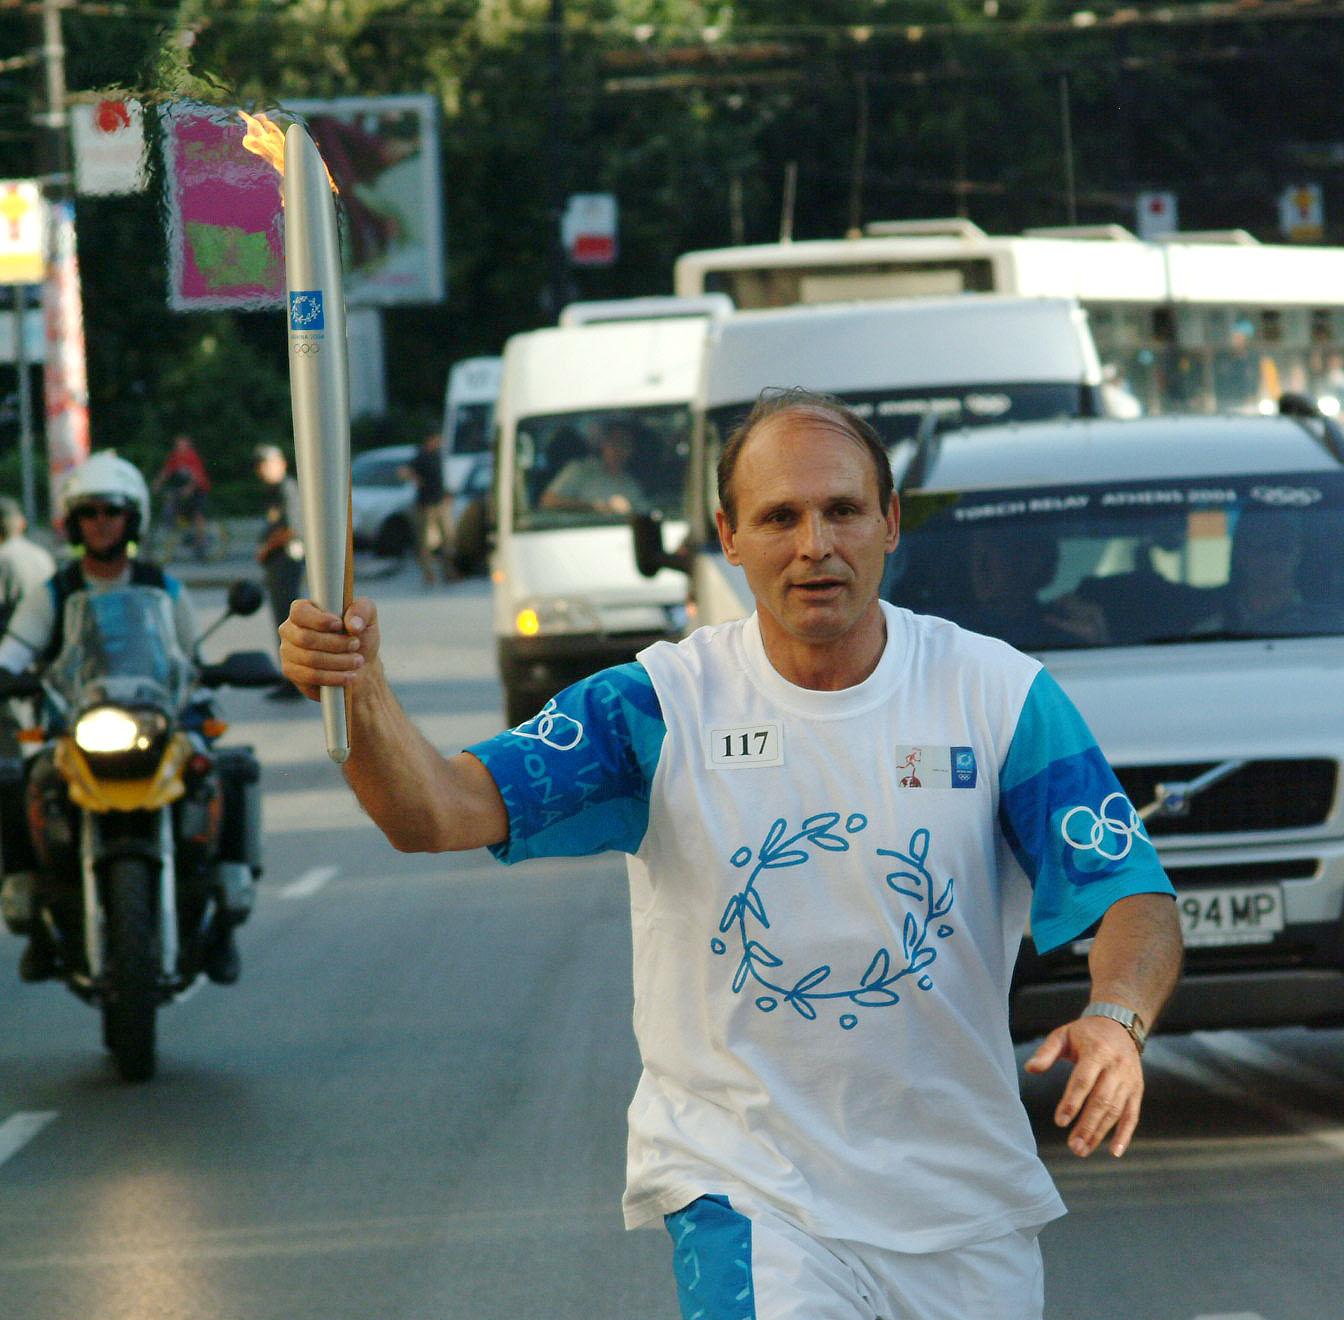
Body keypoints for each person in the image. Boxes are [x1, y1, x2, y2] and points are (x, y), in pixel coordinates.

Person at [279, 389, 1183, 1320]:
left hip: (962, 1203)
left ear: (891, 521)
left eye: (841, 510)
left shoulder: (996, 696)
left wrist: (1116, 1018)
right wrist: (362, 692)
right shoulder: (660, 707)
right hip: (749, 1191)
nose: (814, 545)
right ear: (729, 533)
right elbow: (434, 810)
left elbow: (1131, 894)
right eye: (780, 516)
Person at [0, 452, 236, 982]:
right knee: (20, 780)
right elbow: (13, 655)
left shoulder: (164, 587)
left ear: (133, 519)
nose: (101, 521)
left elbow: (190, 658)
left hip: (156, 721)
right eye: (89, 512)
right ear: (74, 522)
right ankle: (34, 923)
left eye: (112, 510)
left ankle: (223, 921)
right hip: (76, 727)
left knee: (224, 770)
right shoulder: (53, 592)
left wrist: (213, 680)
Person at [254, 445, 306, 701]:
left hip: (286, 560)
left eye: (269, 464)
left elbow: (292, 529)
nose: (264, 470)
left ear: (281, 464)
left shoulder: (287, 489)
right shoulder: (273, 491)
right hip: (276, 563)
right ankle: (290, 678)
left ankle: (295, 681)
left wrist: (266, 548)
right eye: (261, 465)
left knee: (286, 620)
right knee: (280, 621)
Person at [540, 417, 648, 515]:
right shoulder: (579, 470)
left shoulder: (630, 484)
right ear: (604, 444)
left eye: (624, 445)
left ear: (631, 450)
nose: (618, 450)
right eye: (614, 443)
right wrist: (592, 506)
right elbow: (548, 501)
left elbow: (644, 512)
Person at [398, 431, 456, 585]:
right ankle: (428, 573)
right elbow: (403, 471)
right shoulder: (421, 456)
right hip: (425, 504)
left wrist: (447, 493)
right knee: (423, 542)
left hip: (439, 502)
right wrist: (415, 478)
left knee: (447, 539)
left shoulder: (437, 456)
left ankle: (448, 571)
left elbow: (440, 478)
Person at [0, 496, 55, 640]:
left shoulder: (3, 558)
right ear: (21, 524)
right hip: (44, 641)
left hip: (14, 645)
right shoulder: (42, 554)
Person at [152, 433, 212, 560]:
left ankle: (201, 543)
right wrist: (157, 483)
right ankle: (187, 535)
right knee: (174, 510)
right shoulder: (174, 457)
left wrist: (189, 488)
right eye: (178, 445)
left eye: (182, 444)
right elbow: (166, 471)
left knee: (197, 514)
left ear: (188, 445)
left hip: (199, 488)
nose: (180, 447)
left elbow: (197, 476)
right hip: (183, 489)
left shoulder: (192, 457)